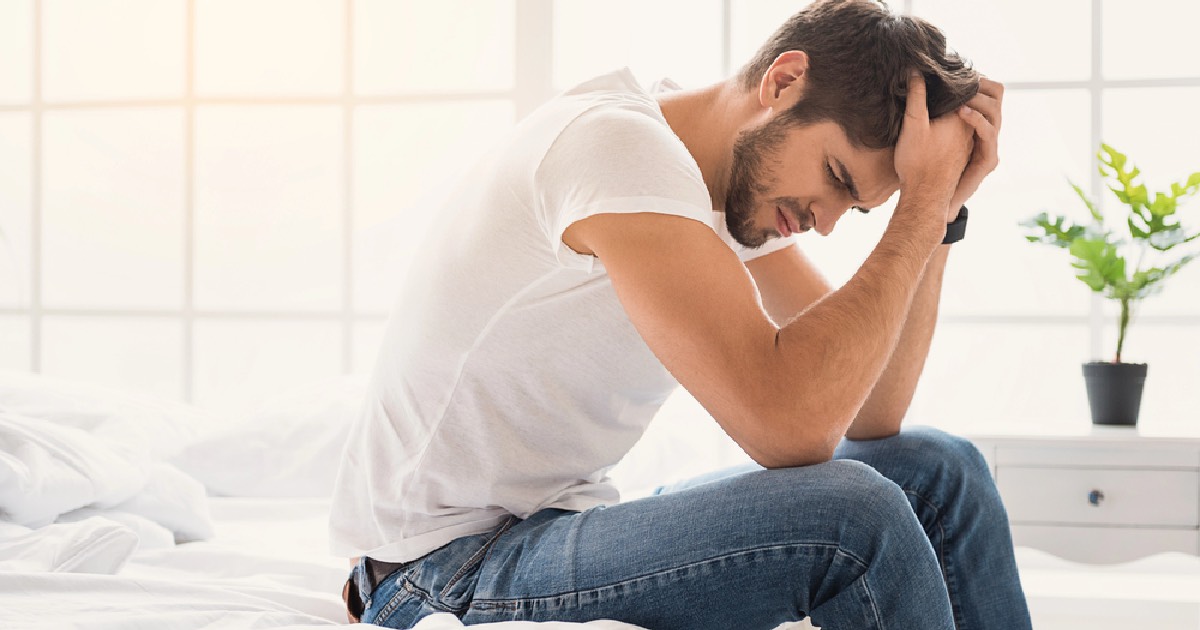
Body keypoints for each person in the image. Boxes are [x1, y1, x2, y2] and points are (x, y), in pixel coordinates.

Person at [332, 0, 1031, 628]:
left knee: (941, 469)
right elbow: (791, 430)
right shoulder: (618, 149)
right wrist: (915, 210)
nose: (826, 224)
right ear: (784, 81)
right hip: (440, 568)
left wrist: (940, 216)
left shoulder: (726, 192)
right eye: (839, 179)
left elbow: (871, 414)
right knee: (852, 518)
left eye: (858, 208)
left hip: (559, 524)